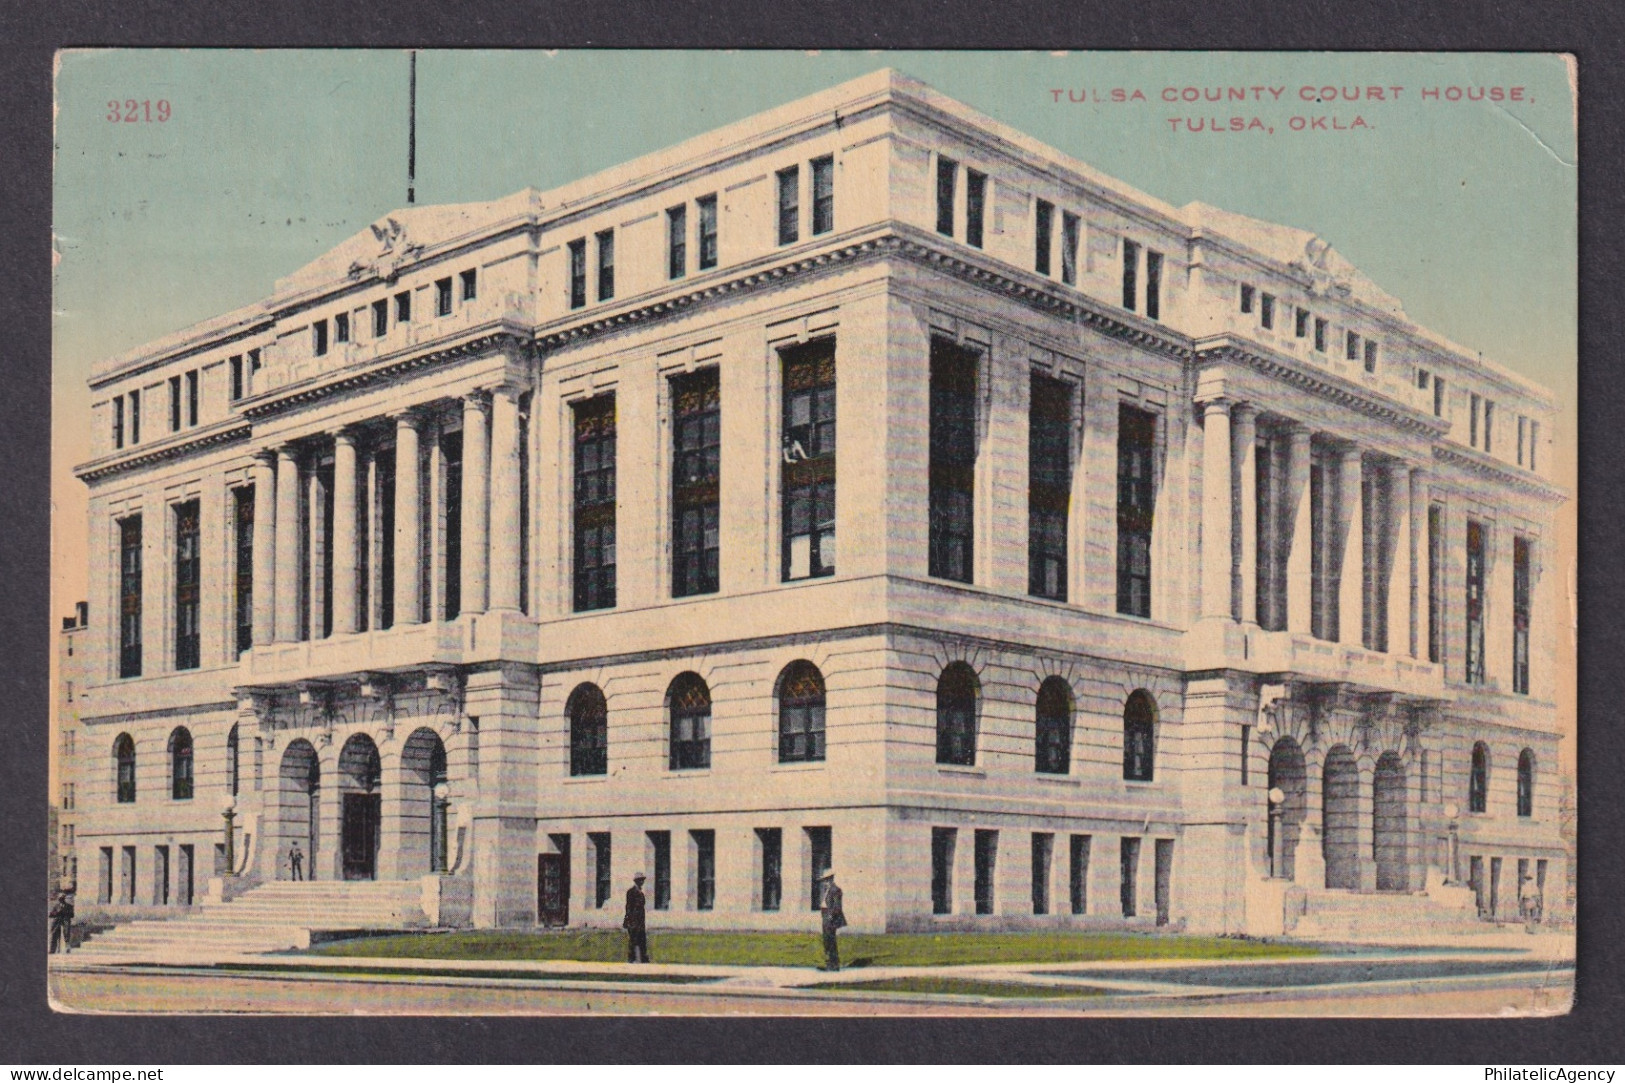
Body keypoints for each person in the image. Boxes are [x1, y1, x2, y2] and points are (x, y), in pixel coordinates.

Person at [818, 869, 846, 971]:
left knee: (830, 941)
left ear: (830, 879)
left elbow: (837, 906)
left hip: (830, 918)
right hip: (825, 917)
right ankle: (829, 963)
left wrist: (830, 915)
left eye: (826, 880)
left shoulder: (836, 890)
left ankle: (834, 964)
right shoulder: (828, 890)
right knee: (826, 941)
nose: (825, 882)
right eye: (824, 880)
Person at [623, 872, 649, 963]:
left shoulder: (641, 892)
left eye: (642, 880)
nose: (642, 882)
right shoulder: (631, 892)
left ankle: (644, 959)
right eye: (640, 880)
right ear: (636, 881)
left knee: (642, 940)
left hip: (640, 920)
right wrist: (628, 920)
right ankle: (631, 959)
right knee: (633, 940)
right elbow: (629, 907)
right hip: (633, 920)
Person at [48, 889, 74, 955]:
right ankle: (52, 950)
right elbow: (50, 914)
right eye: (60, 898)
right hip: (57, 922)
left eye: (62, 898)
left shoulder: (69, 906)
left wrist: (66, 913)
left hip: (65, 921)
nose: (61, 900)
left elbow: (72, 915)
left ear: (64, 899)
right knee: (54, 934)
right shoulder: (56, 905)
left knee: (66, 933)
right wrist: (57, 912)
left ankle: (66, 949)